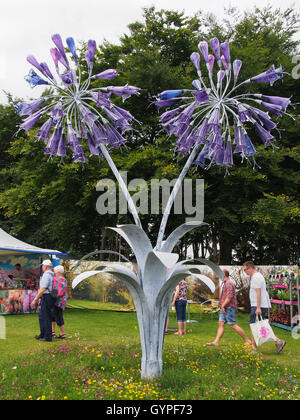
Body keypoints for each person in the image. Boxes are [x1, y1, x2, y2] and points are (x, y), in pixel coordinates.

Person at [243, 261, 286, 353]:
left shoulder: (256, 277)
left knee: (254, 325)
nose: (244, 271)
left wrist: (258, 307)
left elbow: (259, 293)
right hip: (259, 305)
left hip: (259, 305)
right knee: (260, 326)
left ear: (250, 268)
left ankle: (254, 348)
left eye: (245, 269)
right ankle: (278, 341)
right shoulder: (256, 276)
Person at [205, 269, 252, 347]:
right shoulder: (224, 283)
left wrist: (223, 306)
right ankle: (216, 342)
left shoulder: (229, 283)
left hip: (229, 307)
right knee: (221, 323)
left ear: (224, 274)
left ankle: (247, 340)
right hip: (224, 307)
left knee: (232, 324)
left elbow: (229, 297)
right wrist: (222, 306)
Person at [31, 259, 55, 342]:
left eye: (43, 266)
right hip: (50, 296)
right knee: (42, 316)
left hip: (47, 296)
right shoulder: (52, 274)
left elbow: (43, 288)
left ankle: (47, 337)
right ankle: (43, 334)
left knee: (46, 316)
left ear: (46, 266)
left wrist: (35, 299)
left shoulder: (46, 275)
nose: (42, 267)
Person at [51, 265, 68, 339]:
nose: (54, 273)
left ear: (58, 272)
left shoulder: (58, 280)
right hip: (62, 301)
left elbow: (58, 292)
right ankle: (52, 332)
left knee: (58, 316)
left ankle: (63, 334)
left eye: (55, 271)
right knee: (54, 316)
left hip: (58, 301)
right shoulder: (64, 280)